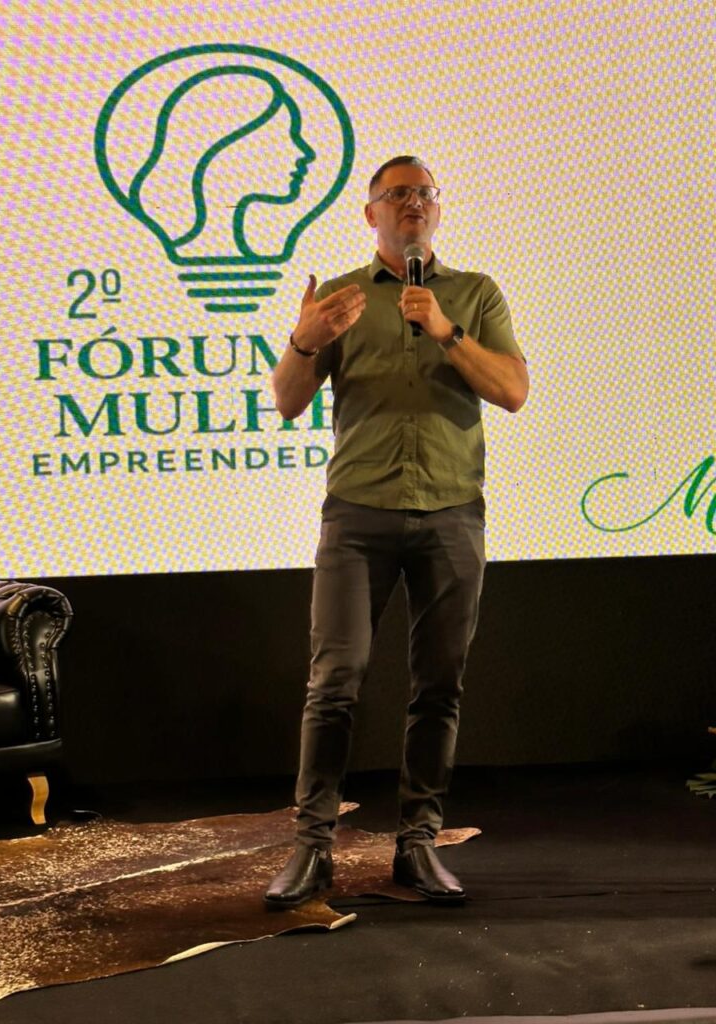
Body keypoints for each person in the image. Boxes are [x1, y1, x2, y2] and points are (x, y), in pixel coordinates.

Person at [265, 155, 529, 909]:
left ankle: (418, 844)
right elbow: (286, 400)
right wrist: (304, 340)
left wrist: (444, 330)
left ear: (437, 211)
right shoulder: (342, 298)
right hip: (358, 516)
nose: (414, 203)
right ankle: (312, 849)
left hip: (451, 512)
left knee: (439, 686)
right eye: (398, 193)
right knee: (334, 682)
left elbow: (512, 390)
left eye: (425, 193)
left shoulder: (473, 294)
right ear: (370, 212)